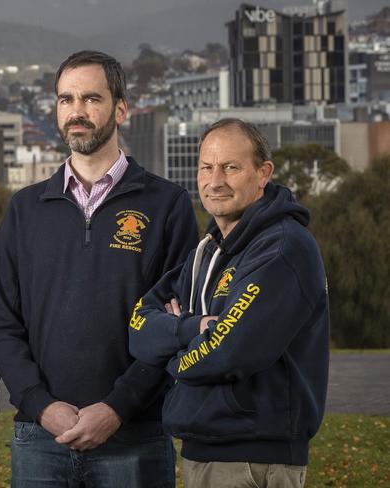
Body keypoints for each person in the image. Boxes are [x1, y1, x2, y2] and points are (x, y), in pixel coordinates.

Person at [0, 50, 198, 487]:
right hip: (39, 438)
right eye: (66, 100)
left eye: (90, 99)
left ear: (121, 108)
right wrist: (41, 405)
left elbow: (178, 327)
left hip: (134, 436)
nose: (76, 112)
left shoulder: (167, 206)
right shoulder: (26, 210)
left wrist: (117, 408)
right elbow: (2, 323)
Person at [129, 118, 329, 488]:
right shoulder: (206, 253)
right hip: (206, 449)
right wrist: (191, 327)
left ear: (262, 173)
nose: (215, 180)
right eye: (206, 167)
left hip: (253, 459)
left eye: (231, 167)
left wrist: (172, 359)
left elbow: (230, 351)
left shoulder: (282, 249)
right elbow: (139, 328)